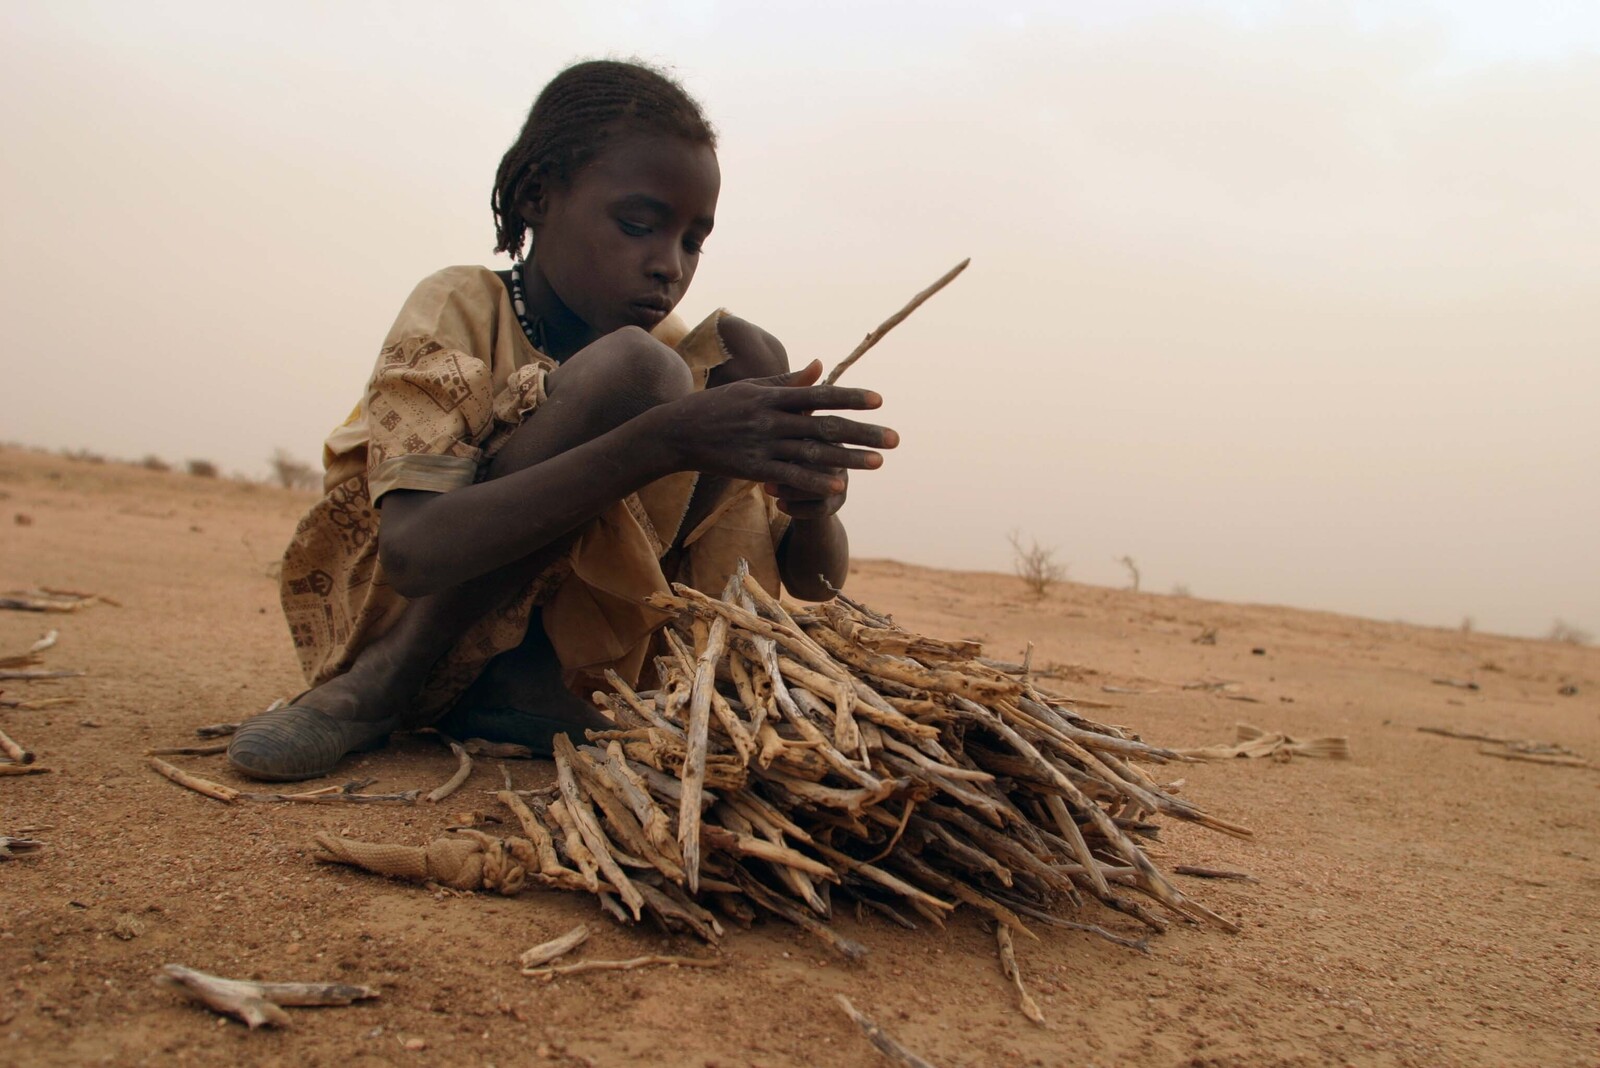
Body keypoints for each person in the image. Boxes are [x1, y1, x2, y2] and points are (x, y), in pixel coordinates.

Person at [228, 59, 897, 782]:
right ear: (538, 197)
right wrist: (664, 439)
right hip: (407, 613)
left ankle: (530, 684)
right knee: (638, 375)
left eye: (692, 241)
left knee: (747, 353)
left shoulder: (691, 358)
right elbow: (415, 552)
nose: (668, 265)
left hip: (585, 669)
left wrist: (816, 507)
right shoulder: (463, 306)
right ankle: (379, 687)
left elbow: (815, 588)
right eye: (638, 225)